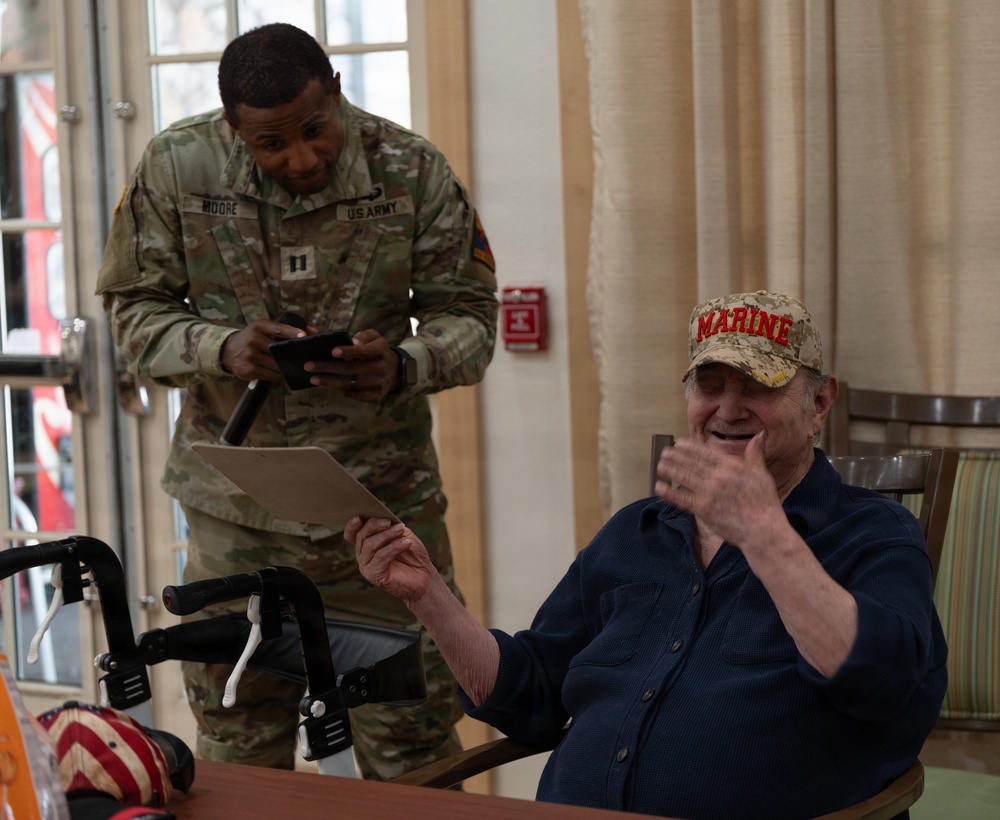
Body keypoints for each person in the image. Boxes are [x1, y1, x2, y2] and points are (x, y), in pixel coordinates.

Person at [349, 291, 947, 818]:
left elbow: (885, 684)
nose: (729, 410)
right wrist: (428, 594)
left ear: (819, 404)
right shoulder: (636, 531)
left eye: (759, 387)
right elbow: (527, 695)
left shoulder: (873, 534)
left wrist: (766, 535)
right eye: (710, 386)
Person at [96, 23, 498, 779]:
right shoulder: (177, 169)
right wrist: (220, 347)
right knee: (237, 739)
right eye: (271, 145)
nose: (301, 159)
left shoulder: (411, 170)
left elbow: (473, 319)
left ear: (337, 92)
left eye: (315, 130)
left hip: (382, 519)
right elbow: (133, 314)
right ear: (231, 128)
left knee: (411, 743)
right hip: (235, 515)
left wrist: (405, 364)